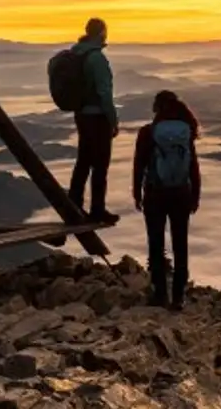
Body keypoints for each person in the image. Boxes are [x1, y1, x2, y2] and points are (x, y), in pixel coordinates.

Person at [132, 90, 201, 310]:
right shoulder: (185, 133)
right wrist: (195, 195)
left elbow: (139, 165)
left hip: (155, 194)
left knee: (156, 245)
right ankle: (179, 297)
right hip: (181, 193)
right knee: (180, 245)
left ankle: (160, 294)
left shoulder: (148, 133)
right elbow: (193, 166)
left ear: (157, 108)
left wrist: (136, 192)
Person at [68, 17, 120, 224]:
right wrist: (113, 120)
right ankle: (97, 210)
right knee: (100, 165)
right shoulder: (96, 58)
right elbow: (104, 92)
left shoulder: (76, 53)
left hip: (81, 114)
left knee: (83, 161)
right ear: (101, 33)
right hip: (97, 117)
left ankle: (73, 205)